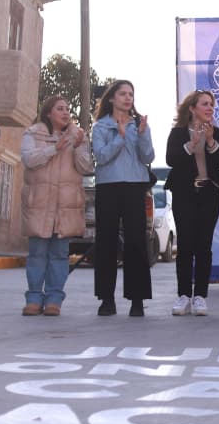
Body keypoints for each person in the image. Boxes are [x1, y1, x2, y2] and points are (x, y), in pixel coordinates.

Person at [19, 96, 93, 316]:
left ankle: (54, 299)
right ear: (48, 112)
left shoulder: (78, 136)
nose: (65, 112)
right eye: (60, 108)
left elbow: (86, 167)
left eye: (67, 108)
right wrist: (54, 150)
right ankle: (33, 298)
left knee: (60, 255)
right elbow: (29, 160)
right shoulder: (33, 133)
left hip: (65, 207)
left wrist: (79, 147)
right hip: (39, 204)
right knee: (37, 254)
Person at [91, 80, 155, 317]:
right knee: (106, 242)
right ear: (111, 98)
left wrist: (142, 135)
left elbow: (148, 155)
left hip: (135, 186)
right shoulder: (100, 127)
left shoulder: (140, 124)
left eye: (131, 94)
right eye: (122, 94)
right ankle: (107, 299)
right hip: (108, 186)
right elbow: (101, 156)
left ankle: (137, 300)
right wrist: (118, 137)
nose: (128, 98)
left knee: (136, 242)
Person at [165, 90, 219, 316]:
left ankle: (200, 296)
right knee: (185, 246)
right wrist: (191, 144)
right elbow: (171, 160)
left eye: (212, 104)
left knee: (204, 246)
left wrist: (211, 141)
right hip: (184, 193)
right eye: (205, 104)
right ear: (192, 108)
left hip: (209, 194)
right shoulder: (178, 133)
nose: (210, 108)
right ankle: (183, 296)